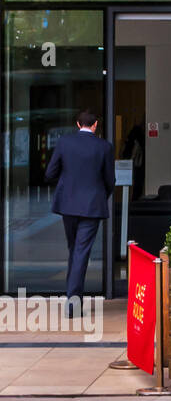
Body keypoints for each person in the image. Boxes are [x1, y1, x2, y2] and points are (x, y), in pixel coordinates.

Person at [44, 110, 114, 311]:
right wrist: (101, 196)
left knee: (74, 249)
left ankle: (73, 297)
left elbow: (50, 172)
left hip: (68, 205)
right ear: (95, 125)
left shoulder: (65, 143)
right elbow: (110, 180)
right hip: (92, 206)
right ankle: (73, 300)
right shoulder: (104, 147)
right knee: (80, 252)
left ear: (77, 124)